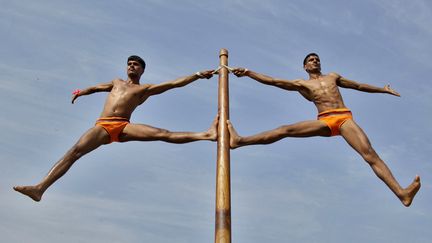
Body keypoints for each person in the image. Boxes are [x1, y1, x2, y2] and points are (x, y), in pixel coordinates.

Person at [14, 55, 218, 202]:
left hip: (123, 125)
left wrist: (197, 75)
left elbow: (173, 84)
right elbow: (96, 88)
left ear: (142, 70)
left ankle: (207, 134)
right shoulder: (116, 82)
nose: (131, 66)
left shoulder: (143, 89)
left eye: (136, 64)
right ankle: (39, 188)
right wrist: (82, 92)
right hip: (103, 125)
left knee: (163, 134)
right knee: (74, 152)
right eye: (129, 64)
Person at [227, 53, 420, 207]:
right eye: (311, 60)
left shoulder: (332, 77)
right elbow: (273, 81)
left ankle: (402, 193)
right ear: (305, 67)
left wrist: (382, 89)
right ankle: (239, 141)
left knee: (370, 155)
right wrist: (247, 72)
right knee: (284, 130)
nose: (315, 61)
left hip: (344, 119)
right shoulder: (301, 84)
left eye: (317, 59)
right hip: (325, 120)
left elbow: (358, 85)